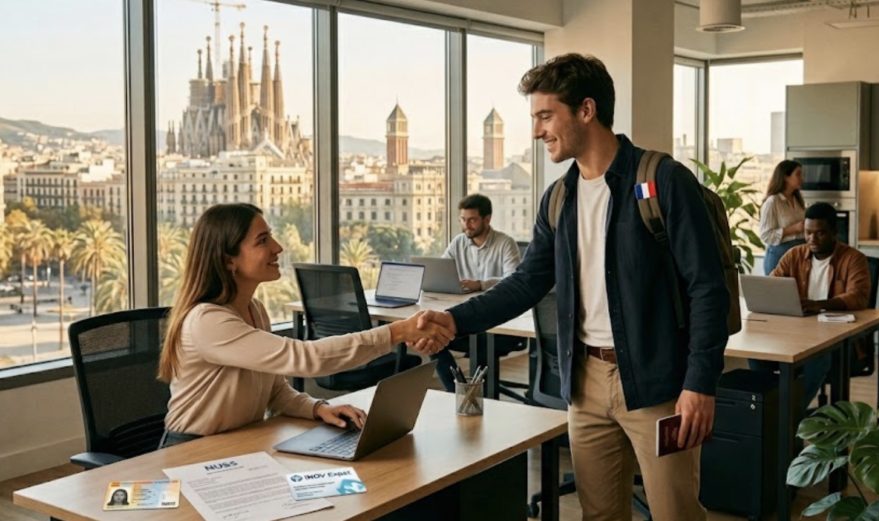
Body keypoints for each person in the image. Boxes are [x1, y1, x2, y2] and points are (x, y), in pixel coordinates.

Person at [415, 53, 729, 521]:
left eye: (545, 116)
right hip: (584, 385)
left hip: (659, 383)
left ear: (586, 110)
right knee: (598, 515)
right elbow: (526, 283)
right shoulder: (559, 198)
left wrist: (699, 384)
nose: (537, 131)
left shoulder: (662, 181)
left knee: (675, 515)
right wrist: (454, 320)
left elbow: (708, 289)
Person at [157, 204, 453, 448]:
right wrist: (397, 332)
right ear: (228, 260)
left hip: (237, 443)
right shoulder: (207, 321)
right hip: (190, 450)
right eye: (262, 241)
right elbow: (304, 358)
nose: (278, 247)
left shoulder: (254, 310)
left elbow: (274, 391)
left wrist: (317, 408)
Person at [756, 202, 871, 411]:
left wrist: (818, 305)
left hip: (838, 342)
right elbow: (772, 285)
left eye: (820, 234)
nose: (812, 239)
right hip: (796, 336)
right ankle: (771, 411)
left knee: (817, 359)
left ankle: (789, 417)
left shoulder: (854, 259)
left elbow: (858, 297)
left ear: (834, 232)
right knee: (757, 355)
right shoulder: (794, 255)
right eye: (808, 233)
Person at [433, 194, 523, 391]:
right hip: (468, 317)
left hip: (499, 322)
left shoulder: (505, 243)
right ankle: (458, 390)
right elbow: (442, 269)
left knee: (482, 343)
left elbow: (515, 281)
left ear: (487, 219)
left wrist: (481, 284)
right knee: (432, 335)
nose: (466, 225)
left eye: (472, 220)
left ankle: (483, 397)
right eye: (463, 220)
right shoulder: (459, 242)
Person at [759, 159, 806, 274]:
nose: (802, 178)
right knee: (777, 291)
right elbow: (766, 235)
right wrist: (793, 229)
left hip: (800, 254)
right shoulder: (772, 202)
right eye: (798, 174)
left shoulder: (797, 200)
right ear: (786, 177)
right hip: (779, 256)